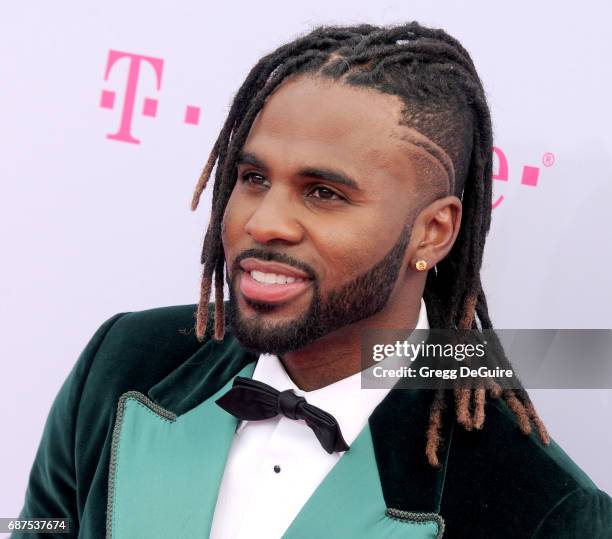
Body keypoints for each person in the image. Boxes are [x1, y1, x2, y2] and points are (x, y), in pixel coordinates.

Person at [14, 22, 612, 538]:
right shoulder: (123, 362)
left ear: (432, 232)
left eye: (323, 193)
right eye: (252, 178)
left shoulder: (544, 508)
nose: (263, 222)